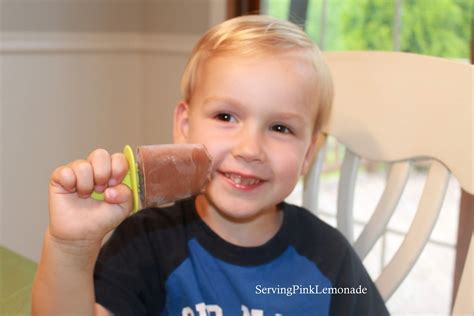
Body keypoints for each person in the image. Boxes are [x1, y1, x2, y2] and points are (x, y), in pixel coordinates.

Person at [32, 15, 388, 315]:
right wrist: (71, 248)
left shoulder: (330, 260)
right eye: (226, 116)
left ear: (308, 153)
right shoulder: (145, 243)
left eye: (280, 128)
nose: (250, 149)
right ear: (184, 126)